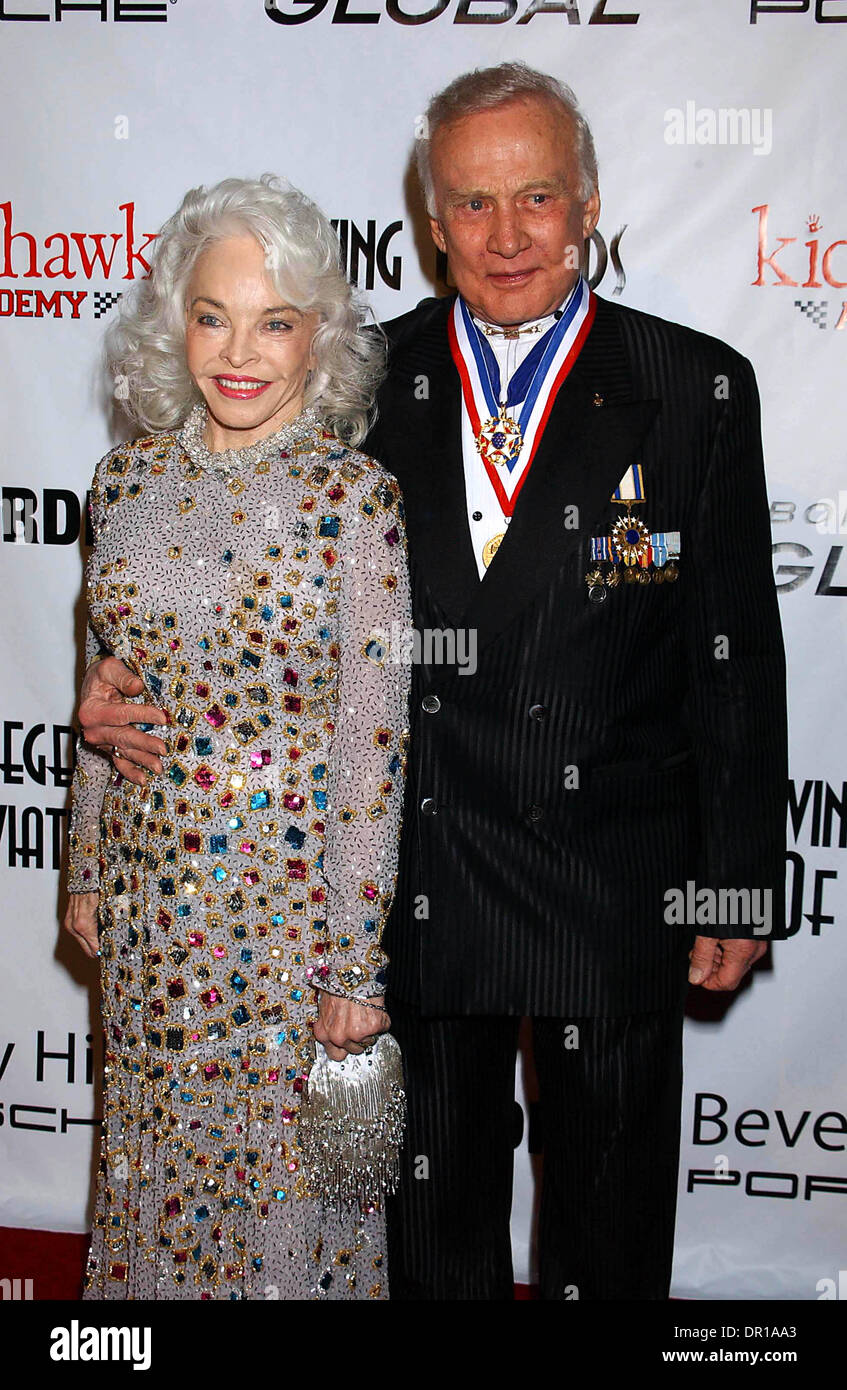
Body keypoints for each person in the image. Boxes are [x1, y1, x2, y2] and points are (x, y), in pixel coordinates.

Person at [76, 64, 788, 1301]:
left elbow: (732, 651)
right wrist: (105, 706)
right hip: (420, 882)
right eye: (471, 202)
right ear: (428, 218)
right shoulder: (359, 389)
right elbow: (231, 592)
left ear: (589, 204)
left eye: (536, 198)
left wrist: (732, 874)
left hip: (608, 884)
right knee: (428, 1235)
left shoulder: (694, 387)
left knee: (606, 1234)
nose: (505, 234)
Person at [64, 174, 411, 1299]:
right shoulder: (123, 485)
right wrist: (83, 859)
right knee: (151, 1173)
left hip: (287, 922)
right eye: (213, 315)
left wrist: (354, 964)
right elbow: (106, 688)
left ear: (321, 334)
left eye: (275, 320)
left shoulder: (354, 501)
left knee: (279, 1204)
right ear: (176, 321)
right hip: (152, 904)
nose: (239, 352)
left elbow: (373, 742)